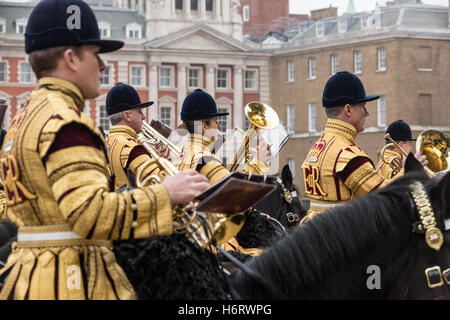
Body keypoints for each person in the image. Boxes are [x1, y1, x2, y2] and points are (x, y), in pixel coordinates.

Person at [0, 0, 209, 300]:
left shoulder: (24, 118)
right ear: (71, 59)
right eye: (96, 55)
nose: (103, 66)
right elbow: (90, 215)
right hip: (72, 279)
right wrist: (165, 194)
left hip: (28, 274)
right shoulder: (67, 123)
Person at [301, 71, 399, 223]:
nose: (367, 113)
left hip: (314, 231)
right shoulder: (348, 154)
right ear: (347, 110)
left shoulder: (318, 146)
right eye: (362, 106)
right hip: (339, 236)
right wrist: (412, 171)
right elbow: (387, 197)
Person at [174, 88, 271, 185]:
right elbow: (235, 191)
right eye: (215, 121)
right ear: (204, 126)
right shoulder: (205, 159)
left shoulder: (184, 152)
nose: (219, 126)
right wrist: (258, 163)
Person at [105, 82, 169, 191]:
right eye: (140, 112)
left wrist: (157, 161)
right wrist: (170, 164)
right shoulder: (133, 148)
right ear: (127, 116)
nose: (143, 117)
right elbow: (162, 184)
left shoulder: (107, 141)